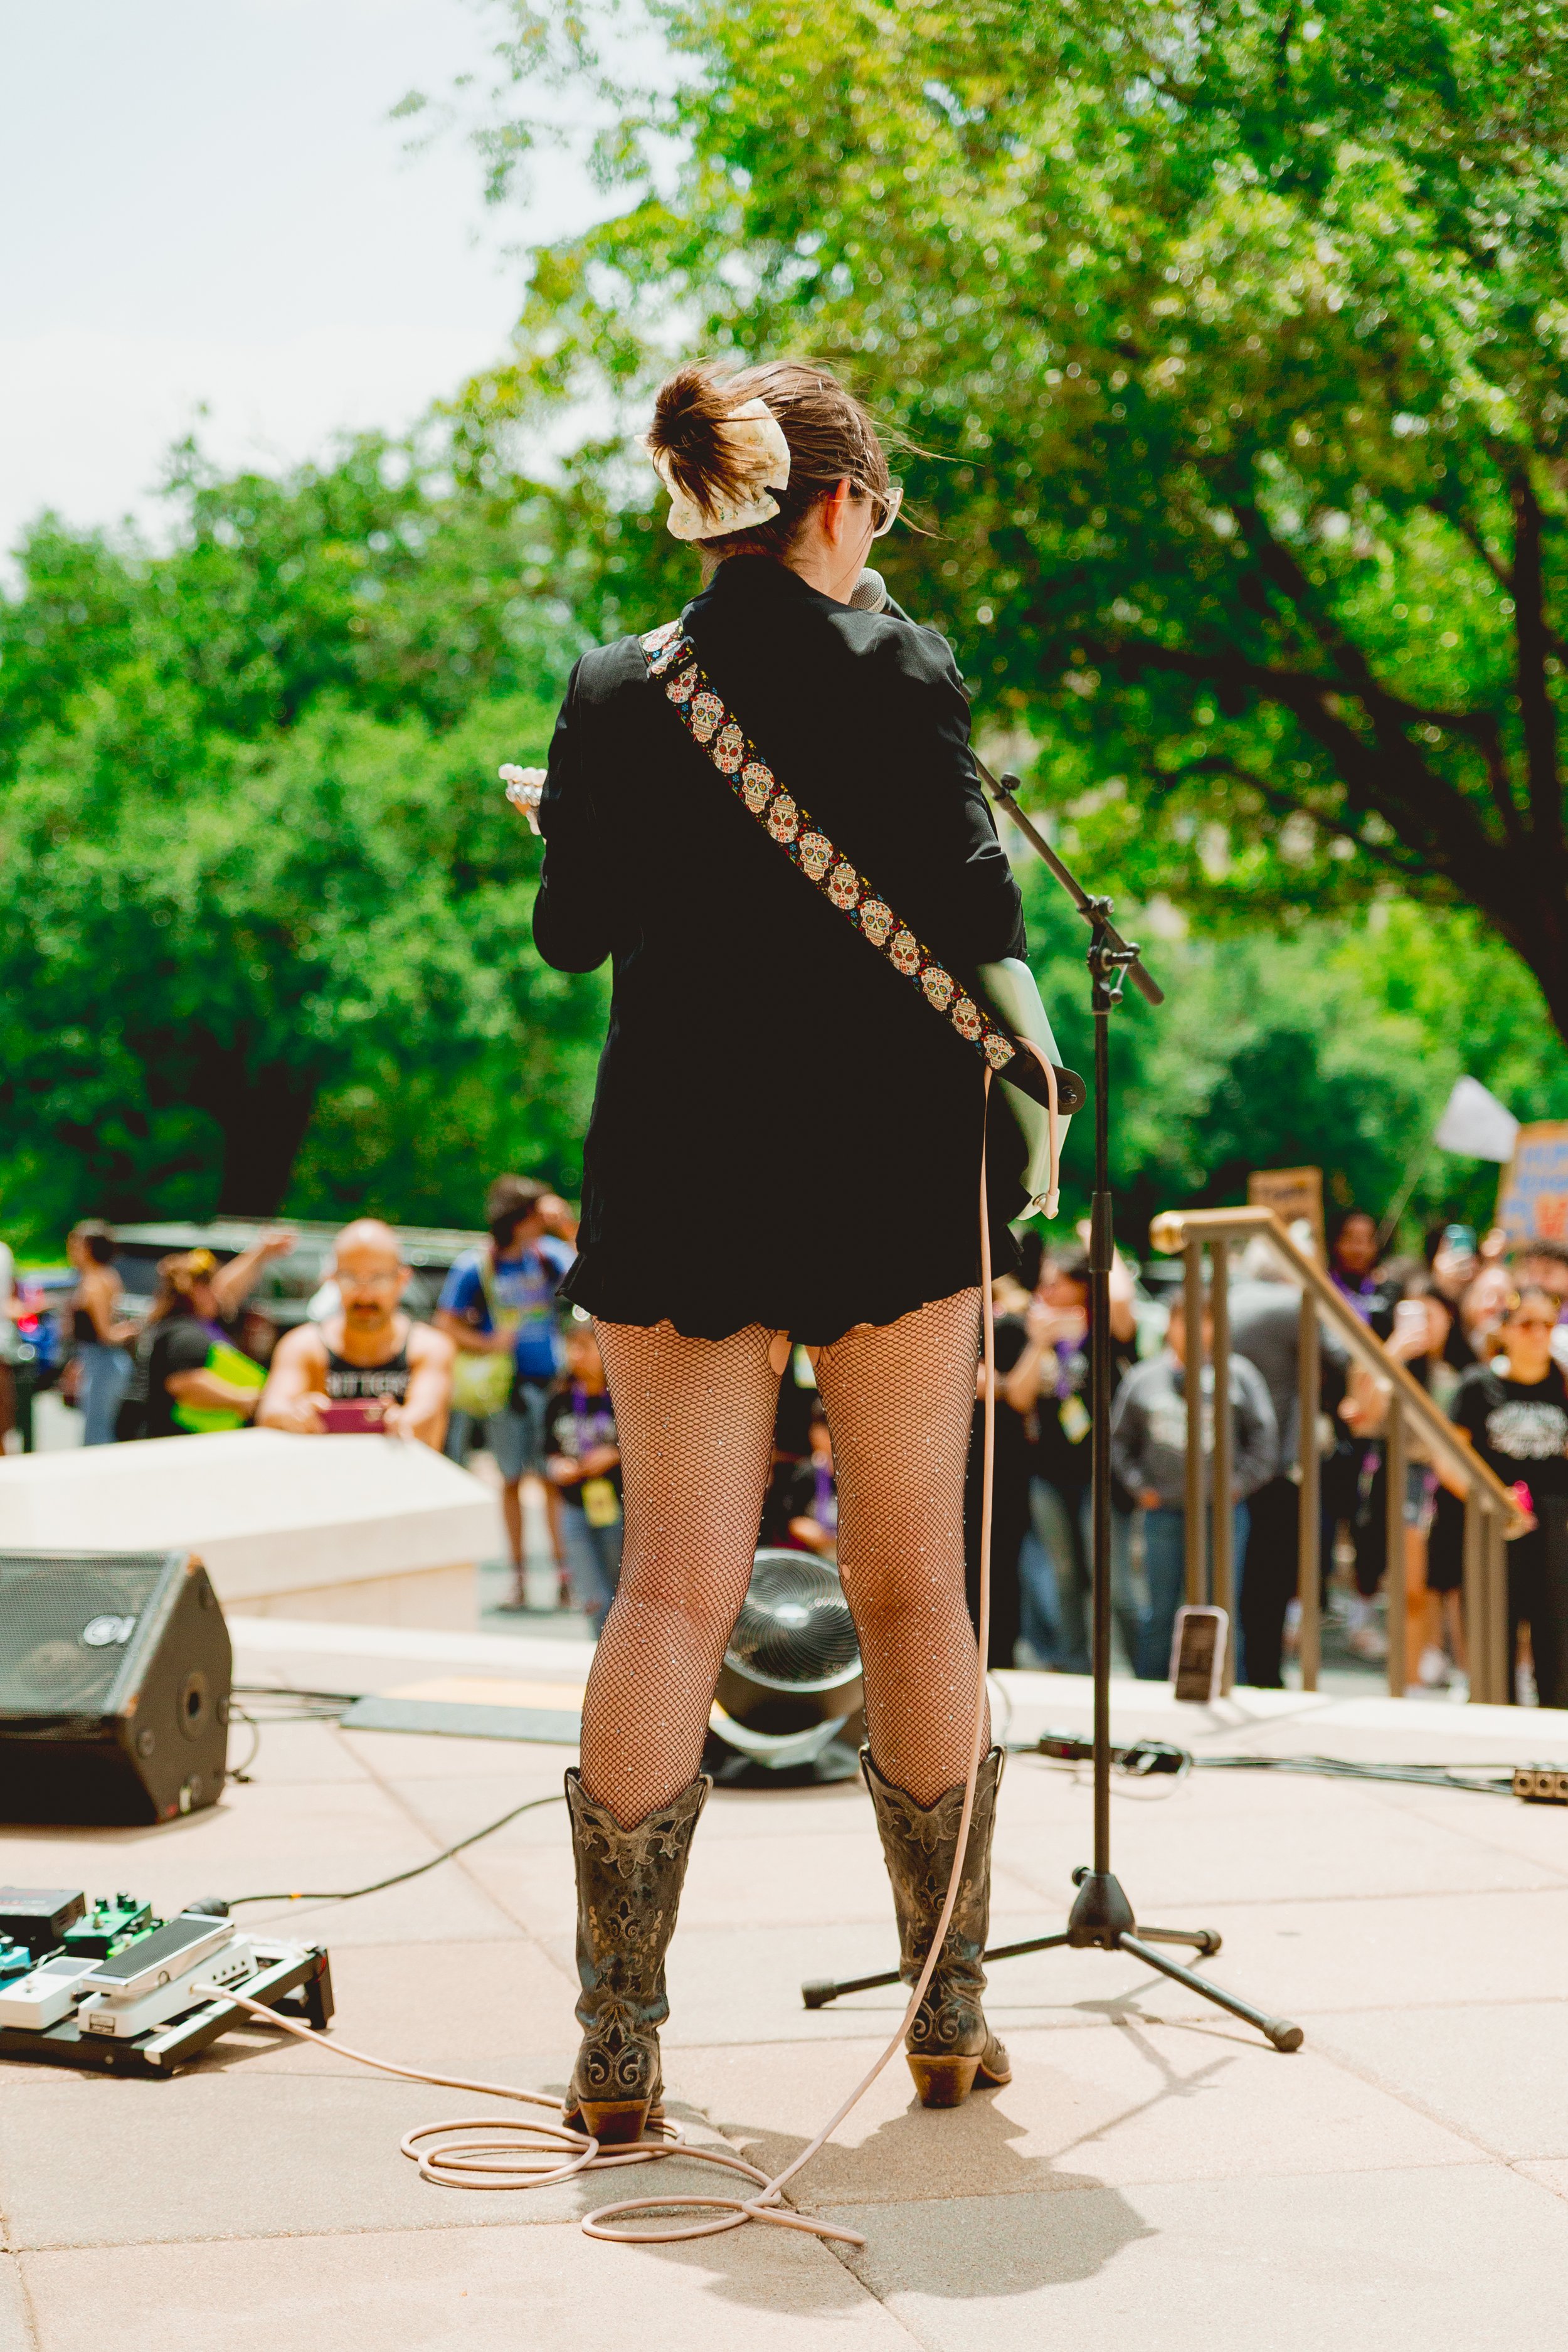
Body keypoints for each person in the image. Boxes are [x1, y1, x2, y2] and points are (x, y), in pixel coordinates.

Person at [526, 356, 1033, 2137]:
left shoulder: (610, 688)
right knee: (910, 1578)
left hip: (678, 1168)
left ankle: (616, 2041)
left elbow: (570, 932)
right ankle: (946, 2012)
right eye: (877, 512)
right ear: (832, 505)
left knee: (673, 1582)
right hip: (892, 1175)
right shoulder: (903, 668)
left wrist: (568, 811)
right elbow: (981, 912)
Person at [1111, 1295, 1277, 1682]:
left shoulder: (1238, 1375)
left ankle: (1224, 1683)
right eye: (1185, 1321)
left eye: (1204, 1321)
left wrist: (1238, 1484)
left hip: (1222, 1510)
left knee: (1221, 1605)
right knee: (1160, 1607)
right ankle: (1151, 1687)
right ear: (1170, 1326)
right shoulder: (1144, 1378)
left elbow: (1264, 1440)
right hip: (1163, 1510)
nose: (1193, 1331)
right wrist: (1140, 1487)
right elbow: (1119, 1442)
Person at [436, 1175, 579, 1608]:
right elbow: (447, 1322)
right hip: (505, 1389)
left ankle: (564, 1576)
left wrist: (567, 1226)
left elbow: (593, 1272)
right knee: (513, 1479)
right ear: (518, 1218)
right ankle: (518, 1578)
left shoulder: (548, 1255)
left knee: (553, 1480)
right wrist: (488, 1343)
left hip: (550, 1384)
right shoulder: (477, 1265)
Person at [1002, 1250, 1142, 1673]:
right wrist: (1040, 1342)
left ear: (1082, 1284)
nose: (1043, 1291)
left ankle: (1144, 1668)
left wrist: (1096, 1238)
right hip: (1050, 1475)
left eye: (1054, 1282)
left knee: (1114, 1582)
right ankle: (1075, 1667)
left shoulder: (1106, 1329)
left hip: (1100, 1476)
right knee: (1065, 1578)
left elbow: (1119, 1298)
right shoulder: (1039, 1331)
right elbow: (1019, 1397)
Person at [1228, 1238, 1348, 1689]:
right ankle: (1262, 1675)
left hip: (1227, 1461)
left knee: (1233, 1575)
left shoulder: (1227, 1295)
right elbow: (1344, 1356)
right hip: (1277, 1465)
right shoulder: (1290, 1304)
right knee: (1269, 1579)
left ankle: (1238, 1670)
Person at [1446, 1285, 1568, 1708]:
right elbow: (1450, 1459)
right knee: (1494, 1632)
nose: (1538, 1334)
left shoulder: (1564, 1382)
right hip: (1493, 1526)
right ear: (1506, 1329)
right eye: (1527, 1323)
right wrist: (1493, 1499)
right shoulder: (1478, 1385)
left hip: (1554, 1527)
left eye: (1548, 1324)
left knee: (1557, 1639)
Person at [257, 1219, 455, 1448]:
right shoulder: (304, 1346)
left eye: (378, 1279)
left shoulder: (429, 1348)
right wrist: (295, 1415)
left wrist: (401, 1422)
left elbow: (426, 1413)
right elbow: (271, 1410)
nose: (365, 1295)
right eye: (350, 1278)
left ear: (402, 1280)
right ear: (332, 1279)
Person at [117, 1250, 267, 1440]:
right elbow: (185, 1383)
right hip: (170, 1438)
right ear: (198, 1290)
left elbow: (233, 1289)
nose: (218, 1296)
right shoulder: (184, 1334)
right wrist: (244, 1400)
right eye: (212, 1288)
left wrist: (262, 1252)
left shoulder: (174, 1325)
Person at [543, 1322, 623, 1636]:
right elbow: (546, 1450)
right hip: (574, 1506)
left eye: (585, 1347)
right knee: (592, 1593)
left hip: (616, 1506)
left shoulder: (623, 1399)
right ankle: (597, 1649)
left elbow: (651, 1447)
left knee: (621, 1587)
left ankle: (625, 1657)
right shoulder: (559, 1398)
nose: (576, 1355)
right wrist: (557, 1466)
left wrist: (614, 1454)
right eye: (571, 1346)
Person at [64, 1222, 137, 1446]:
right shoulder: (107, 1276)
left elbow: (106, 1334)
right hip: (102, 1360)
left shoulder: (95, 1282)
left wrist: (129, 1330)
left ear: (88, 1248)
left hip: (103, 1363)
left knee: (97, 1433)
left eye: (76, 1244)